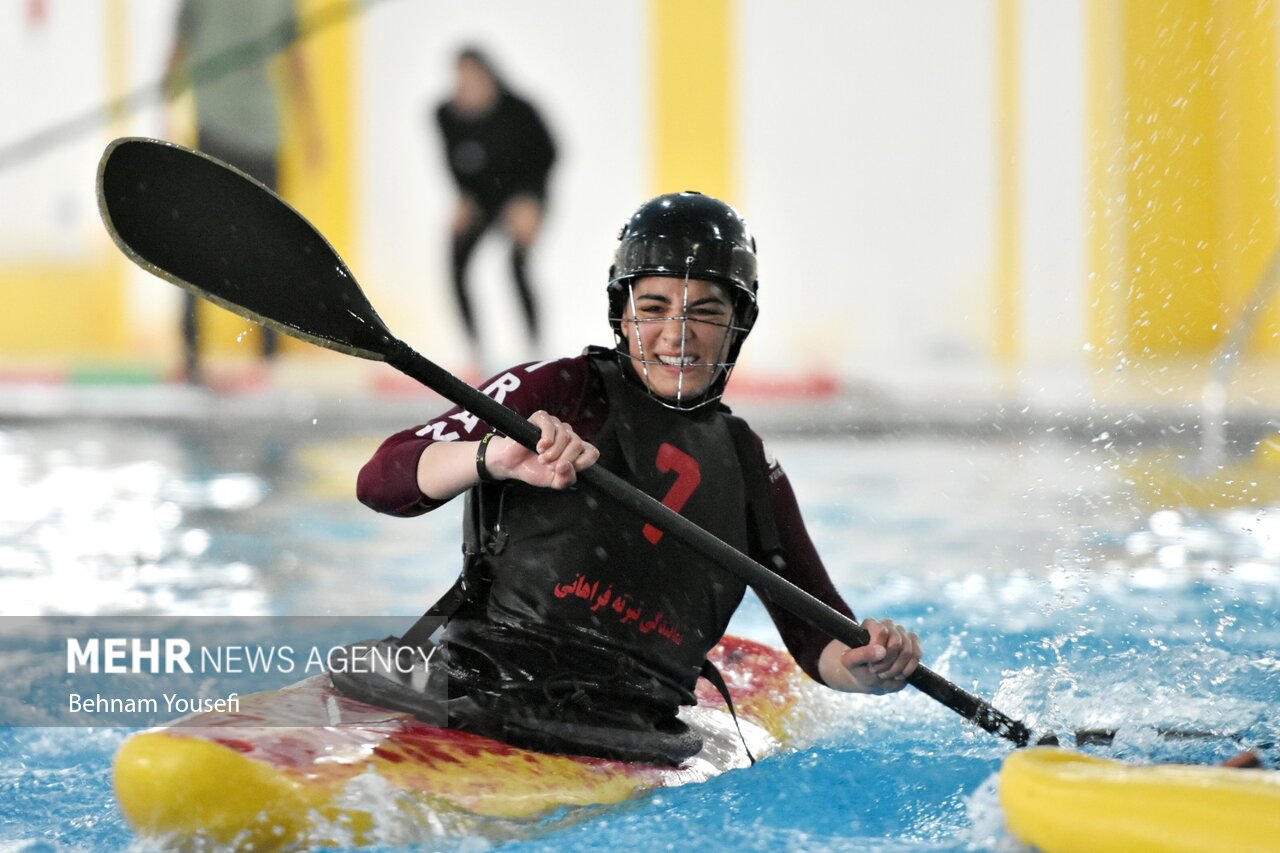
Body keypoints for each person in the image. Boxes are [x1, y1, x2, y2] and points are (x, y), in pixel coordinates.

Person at [352, 191, 921, 765]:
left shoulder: (750, 465)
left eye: (705, 311)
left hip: (637, 730)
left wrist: (866, 667)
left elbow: (819, 636)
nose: (677, 334)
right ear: (621, 315)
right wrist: (491, 456)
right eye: (653, 308)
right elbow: (380, 481)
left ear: (737, 325)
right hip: (479, 690)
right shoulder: (556, 390)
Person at [165, 0, 322, 385]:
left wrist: (311, 126)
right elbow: (179, 42)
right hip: (214, 130)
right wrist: (166, 103)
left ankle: (268, 357)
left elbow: (294, 56)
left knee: (269, 248)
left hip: (265, 134)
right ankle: (191, 355)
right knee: (198, 243)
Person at [434, 47, 556, 369]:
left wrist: (532, 202)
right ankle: (475, 351)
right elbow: (455, 162)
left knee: (516, 265)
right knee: (457, 257)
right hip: (482, 199)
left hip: (522, 194)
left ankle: (535, 349)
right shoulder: (446, 114)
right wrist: (462, 197)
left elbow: (549, 154)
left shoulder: (520, 111)